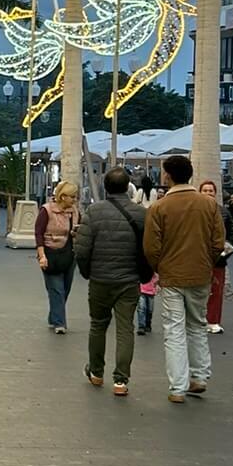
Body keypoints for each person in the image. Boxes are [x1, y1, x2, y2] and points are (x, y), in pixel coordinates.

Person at [142, 153, 226, 404]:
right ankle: (199, 376)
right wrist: (207, 262)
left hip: (171, 276)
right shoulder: (209, 205)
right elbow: (218, 242)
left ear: (167, 175)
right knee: (197, 324)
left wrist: (161, 266)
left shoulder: (159, 207)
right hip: (201, 274)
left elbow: (150, 247)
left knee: (174, 330)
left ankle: (178, 386)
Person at [74, 166, 148, 396]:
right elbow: (148, 249)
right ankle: (121, 380)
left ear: (105, 186)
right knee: (126, 328)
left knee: (98, 325)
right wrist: (144, 274)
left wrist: (87, 272)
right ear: (127, 187)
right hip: (129, 279)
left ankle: (96, 372)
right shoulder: (140, 213)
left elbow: (82, 249)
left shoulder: (94, 212)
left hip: (100, 278)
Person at [34, 180, 81, 334]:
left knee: (65, 289)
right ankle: (60, 323)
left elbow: (79, 228)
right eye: (72, 197)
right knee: (57, 289)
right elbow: (39, 233)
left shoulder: (75, 211)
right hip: (50, 253)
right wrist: (41, 256)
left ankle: (54, 316)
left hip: (69, 253)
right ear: (63, 196)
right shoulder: (46, 211)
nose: (75, 200)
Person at [198, 178, 230, 333]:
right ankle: (197, 319)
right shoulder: (194, 212)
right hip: (198, 259)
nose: (208, 193)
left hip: (218, 259)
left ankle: (213, 320)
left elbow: (232, 235)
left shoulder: (224, 212)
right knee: (197, 291)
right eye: (205, 190)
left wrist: (225, 253)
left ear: (215, 193)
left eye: (210, 191)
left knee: (216, 291)